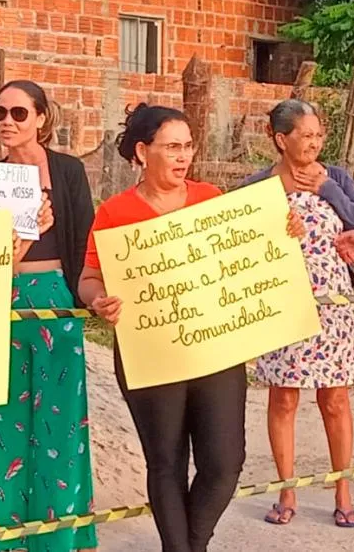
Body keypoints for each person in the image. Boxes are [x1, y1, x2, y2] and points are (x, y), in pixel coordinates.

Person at [78, 103, 303, 552]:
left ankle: (189, 546)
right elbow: (88, 276)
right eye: (172, 147)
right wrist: (96, 300)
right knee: (166, 462)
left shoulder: (211, 200)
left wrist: (283, 230)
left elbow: (250, 253)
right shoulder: (115, 212)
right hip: (150, 353)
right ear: (142, 152)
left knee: (225, 462)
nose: (183, 156)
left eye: (188, 146)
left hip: (215, 350)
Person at [0, 81, 97, 552]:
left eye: (19, 113)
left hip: (55, 294)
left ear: (42, 118)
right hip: (4, 294)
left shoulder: (67, 170)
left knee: (60, 418)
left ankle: (58, 535)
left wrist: (83, 298)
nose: (7, 121)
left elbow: (85, 235)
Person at [241, 99, 354, 528]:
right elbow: (238, 243)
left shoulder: (336, 177)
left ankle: (343, 489)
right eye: (306, 135)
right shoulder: (256, 187)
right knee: (283, 397)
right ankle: (286, 491)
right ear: (281, 140)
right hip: (280, 305)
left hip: (333, 309)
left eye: (320, 135)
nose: (315, 142)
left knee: (334, 398)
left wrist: (327, 191)